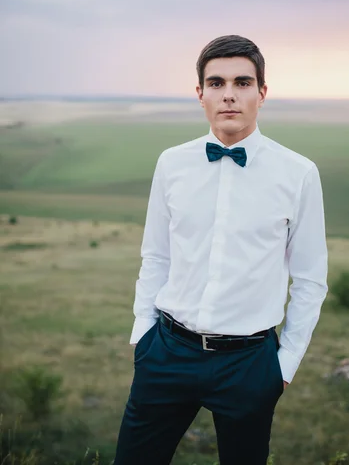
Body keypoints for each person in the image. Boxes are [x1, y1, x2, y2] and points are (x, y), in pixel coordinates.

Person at [113, 34, 328, 465]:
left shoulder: (299, 173)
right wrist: (143, 334)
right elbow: (156, 255)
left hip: (249, 364)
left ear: (262, 93)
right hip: (167, 352)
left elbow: (309, 279)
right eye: (216, 83)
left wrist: (283, 366)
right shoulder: (171, 163)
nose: (229, 94)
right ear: (200, 94)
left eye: (243, 83)